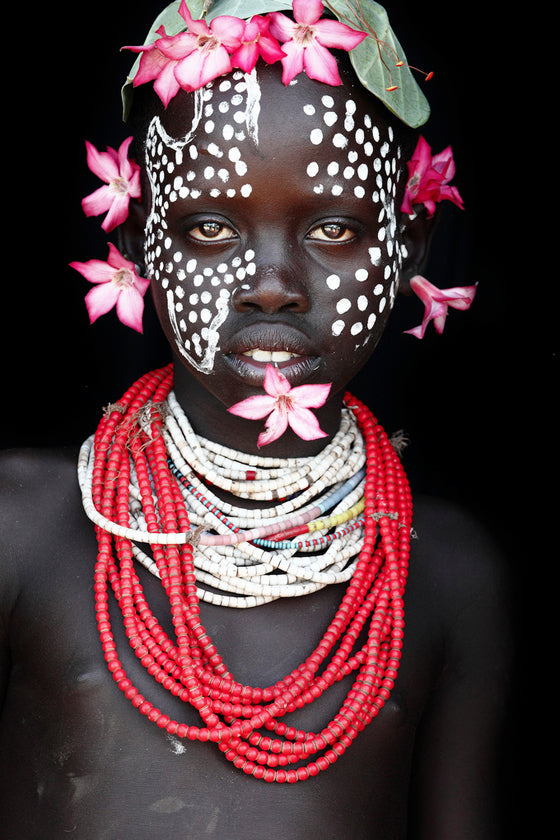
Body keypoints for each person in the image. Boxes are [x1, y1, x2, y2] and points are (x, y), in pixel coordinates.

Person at [0, 2, 512, 837]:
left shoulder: (447, 573)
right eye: (208, 228)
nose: (271, 283)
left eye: (337, 229)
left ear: (408, 247)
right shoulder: (23, 525)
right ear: (137, 247)